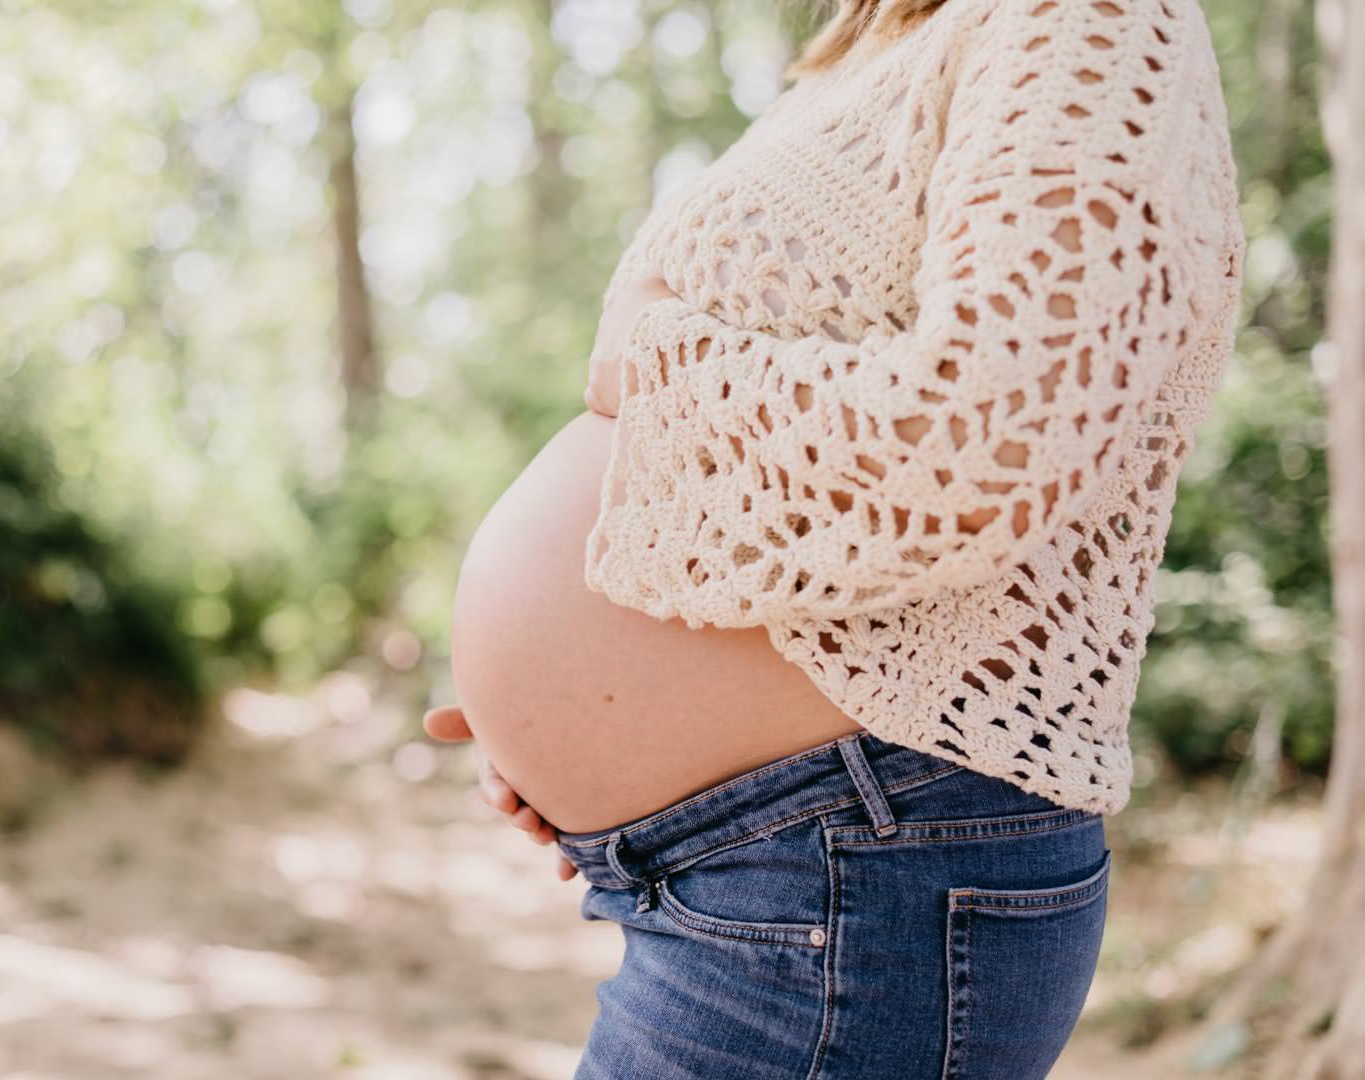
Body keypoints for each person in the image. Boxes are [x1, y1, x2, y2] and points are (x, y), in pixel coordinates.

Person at [427, 0, 1245, 1073]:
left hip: (856, 865)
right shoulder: (873, 48)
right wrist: (587, 722)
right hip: (786, 860)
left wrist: (662, 366)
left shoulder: (1085, 17)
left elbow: (992, 431)